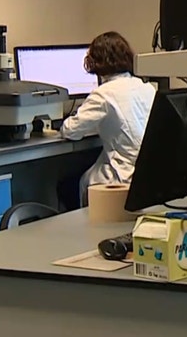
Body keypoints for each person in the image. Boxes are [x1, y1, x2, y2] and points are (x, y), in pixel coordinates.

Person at [59, 31, 156, 208]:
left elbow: (70, 131)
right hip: (147, 174)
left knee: (68, 186)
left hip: (122, 176)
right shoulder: (146, 87)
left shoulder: (104, 94)